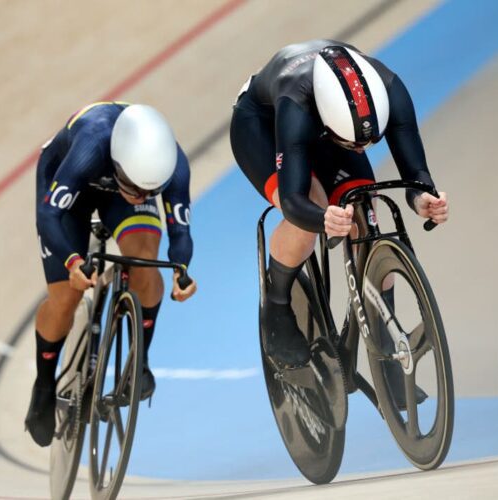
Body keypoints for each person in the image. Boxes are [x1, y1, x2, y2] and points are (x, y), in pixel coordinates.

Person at [230, 40, 448, 405]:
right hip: (264, 126)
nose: (364, 151)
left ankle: (386, 354)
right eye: (357, 144)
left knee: (366, 209)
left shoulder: (388, 88)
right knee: (311, 206)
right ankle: (278, 306)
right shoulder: (294, 101)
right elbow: (296, 202)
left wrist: (421, 197)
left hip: (333, 129)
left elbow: (415, 172)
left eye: (369, 142)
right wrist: (321, 216)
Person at [25, 102, 197, 446]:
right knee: (66, 297)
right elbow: (49, 216)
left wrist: (182, 270)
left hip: (119, 190)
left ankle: (139, 361)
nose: (144, 198)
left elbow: (180, 232)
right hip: (67, 186)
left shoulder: (172, 165)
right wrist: (74, 261)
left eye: (151, 192)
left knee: (144, 262)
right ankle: (44, 383)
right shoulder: (91, 143)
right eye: (138, 189)